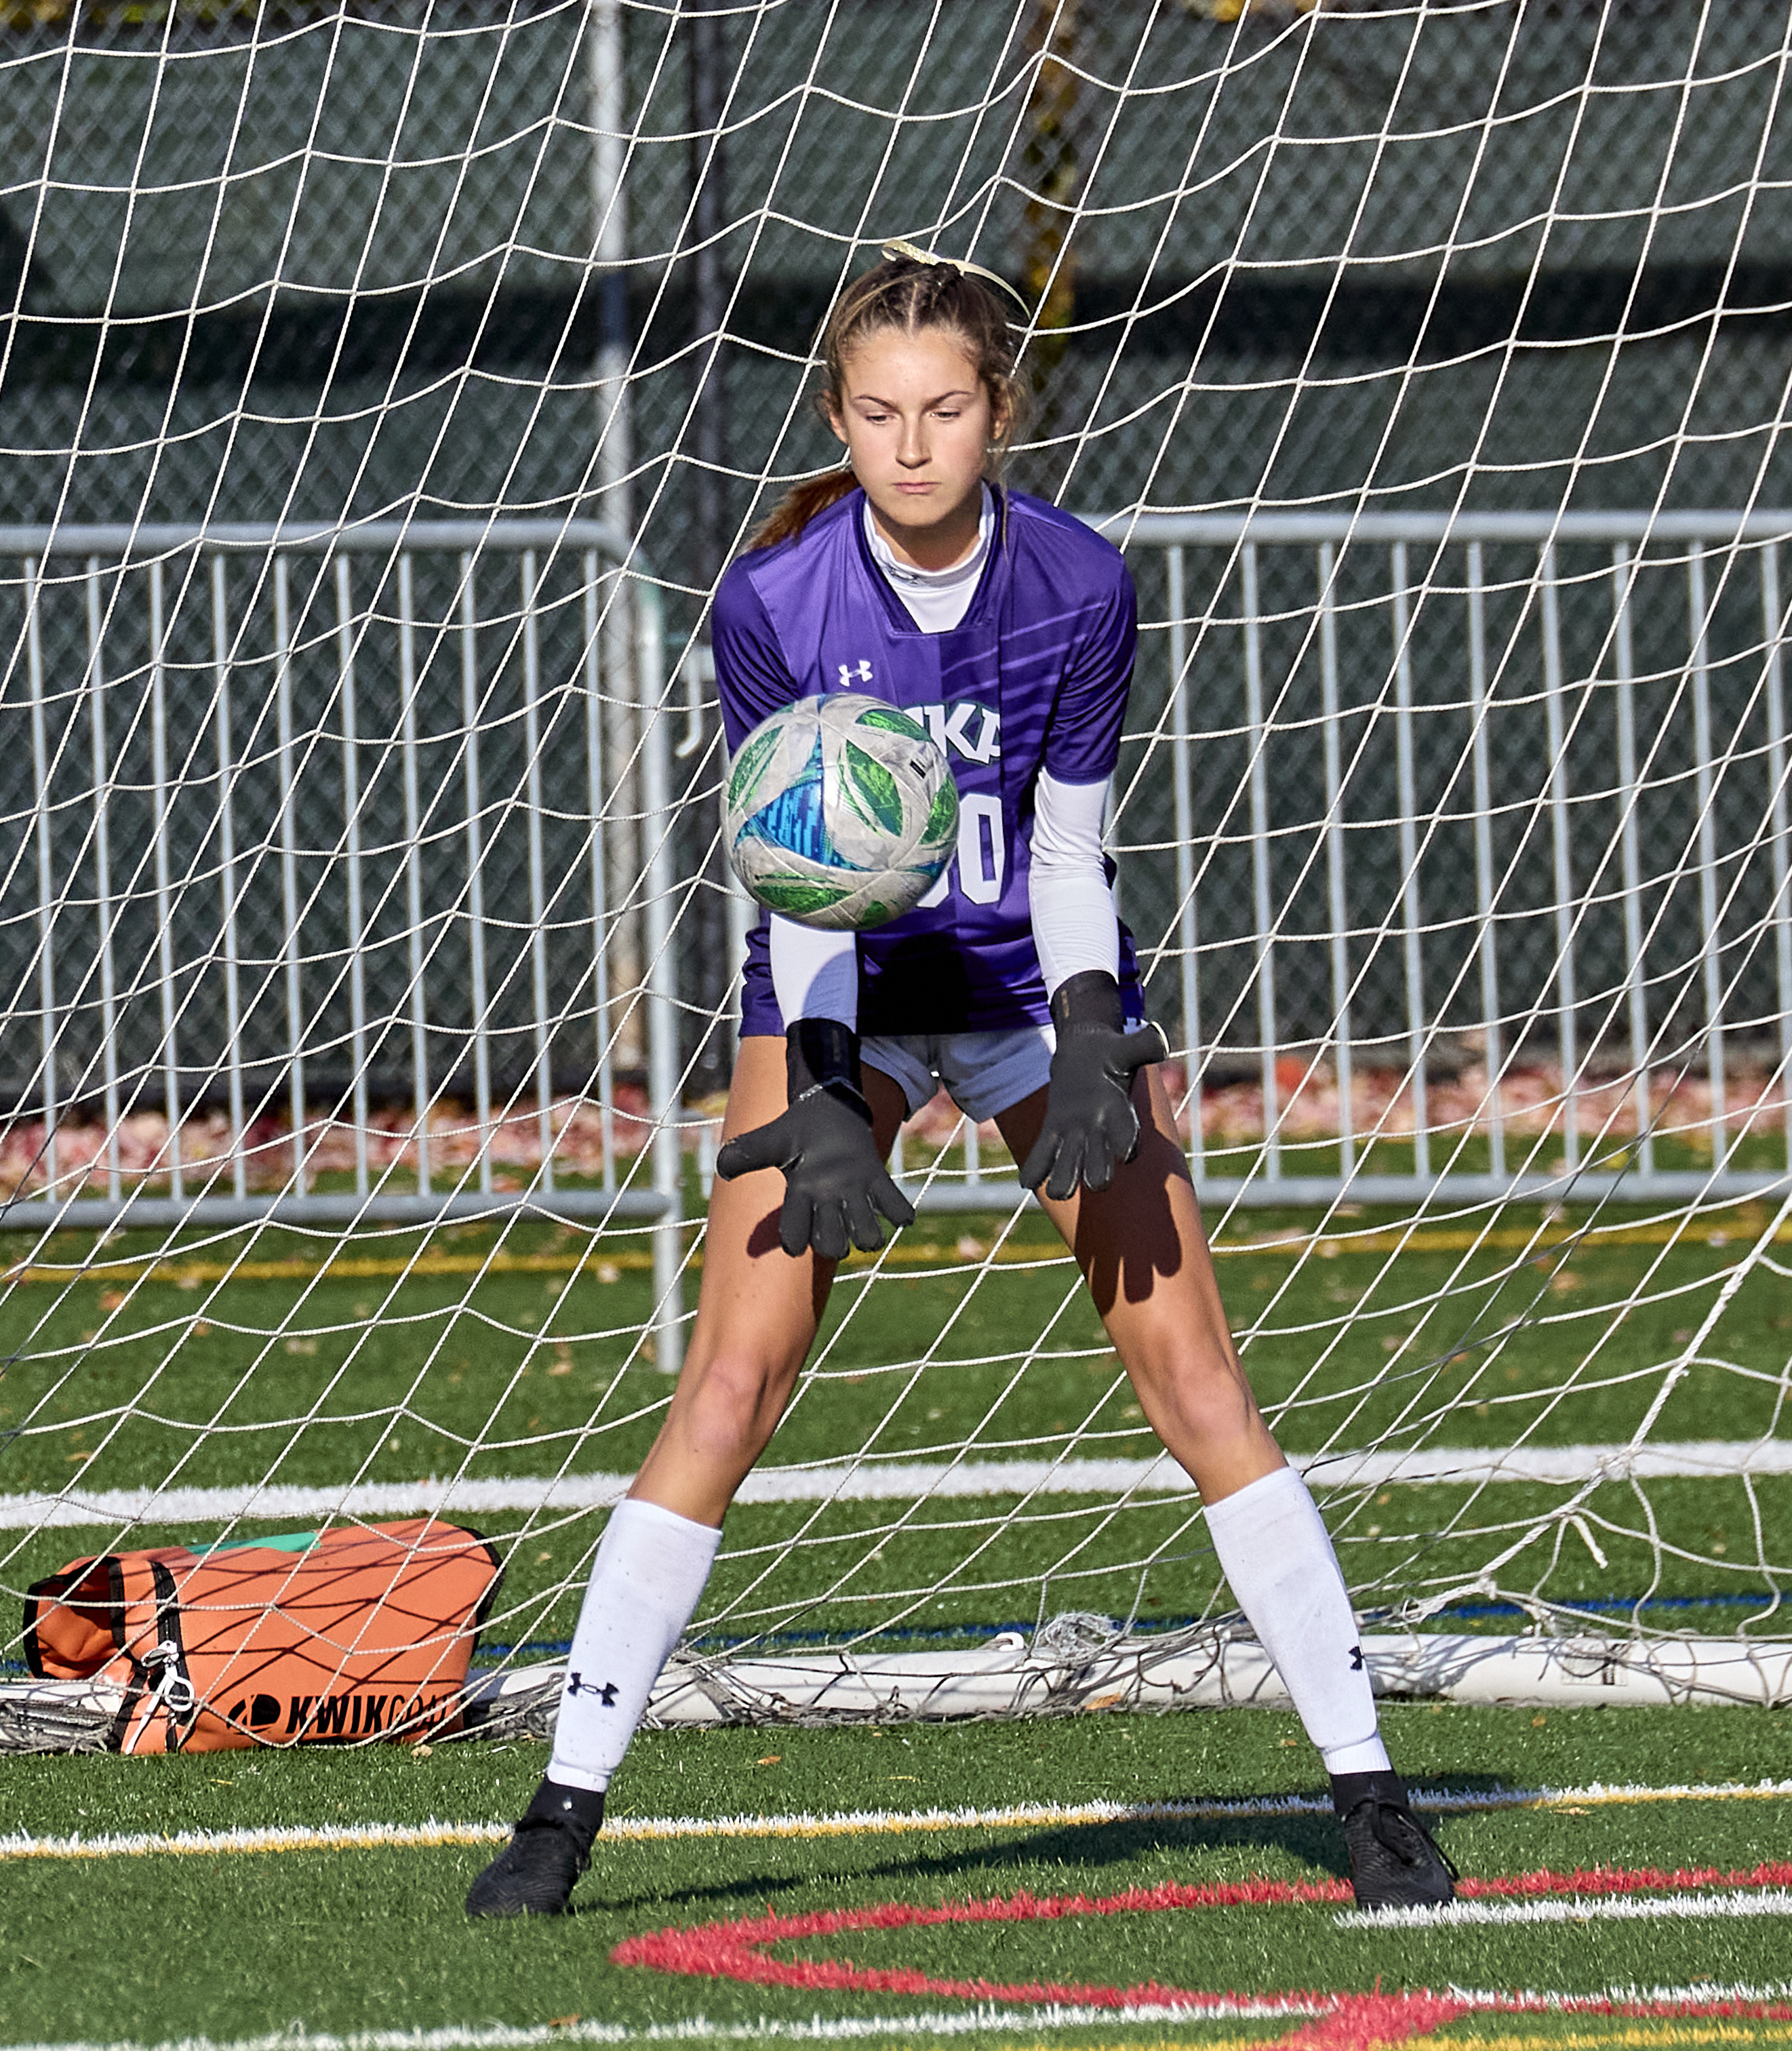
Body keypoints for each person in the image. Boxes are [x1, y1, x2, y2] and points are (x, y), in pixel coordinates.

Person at [464, 244, 1456, 1919]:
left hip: (1020, 981)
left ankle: (1369, 1795)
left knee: (1193, 1377)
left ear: (998, 410)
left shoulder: (1077, 584)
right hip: (837, 990)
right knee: (732, 1386)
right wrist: (833, 1086)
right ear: (837, 420)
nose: (909, 444)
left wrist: (1083, 1039)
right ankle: (558, 1817)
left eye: (942, 409)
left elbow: (1068, 850)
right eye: (875, 413)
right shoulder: (770, 604)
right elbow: (802, 887)